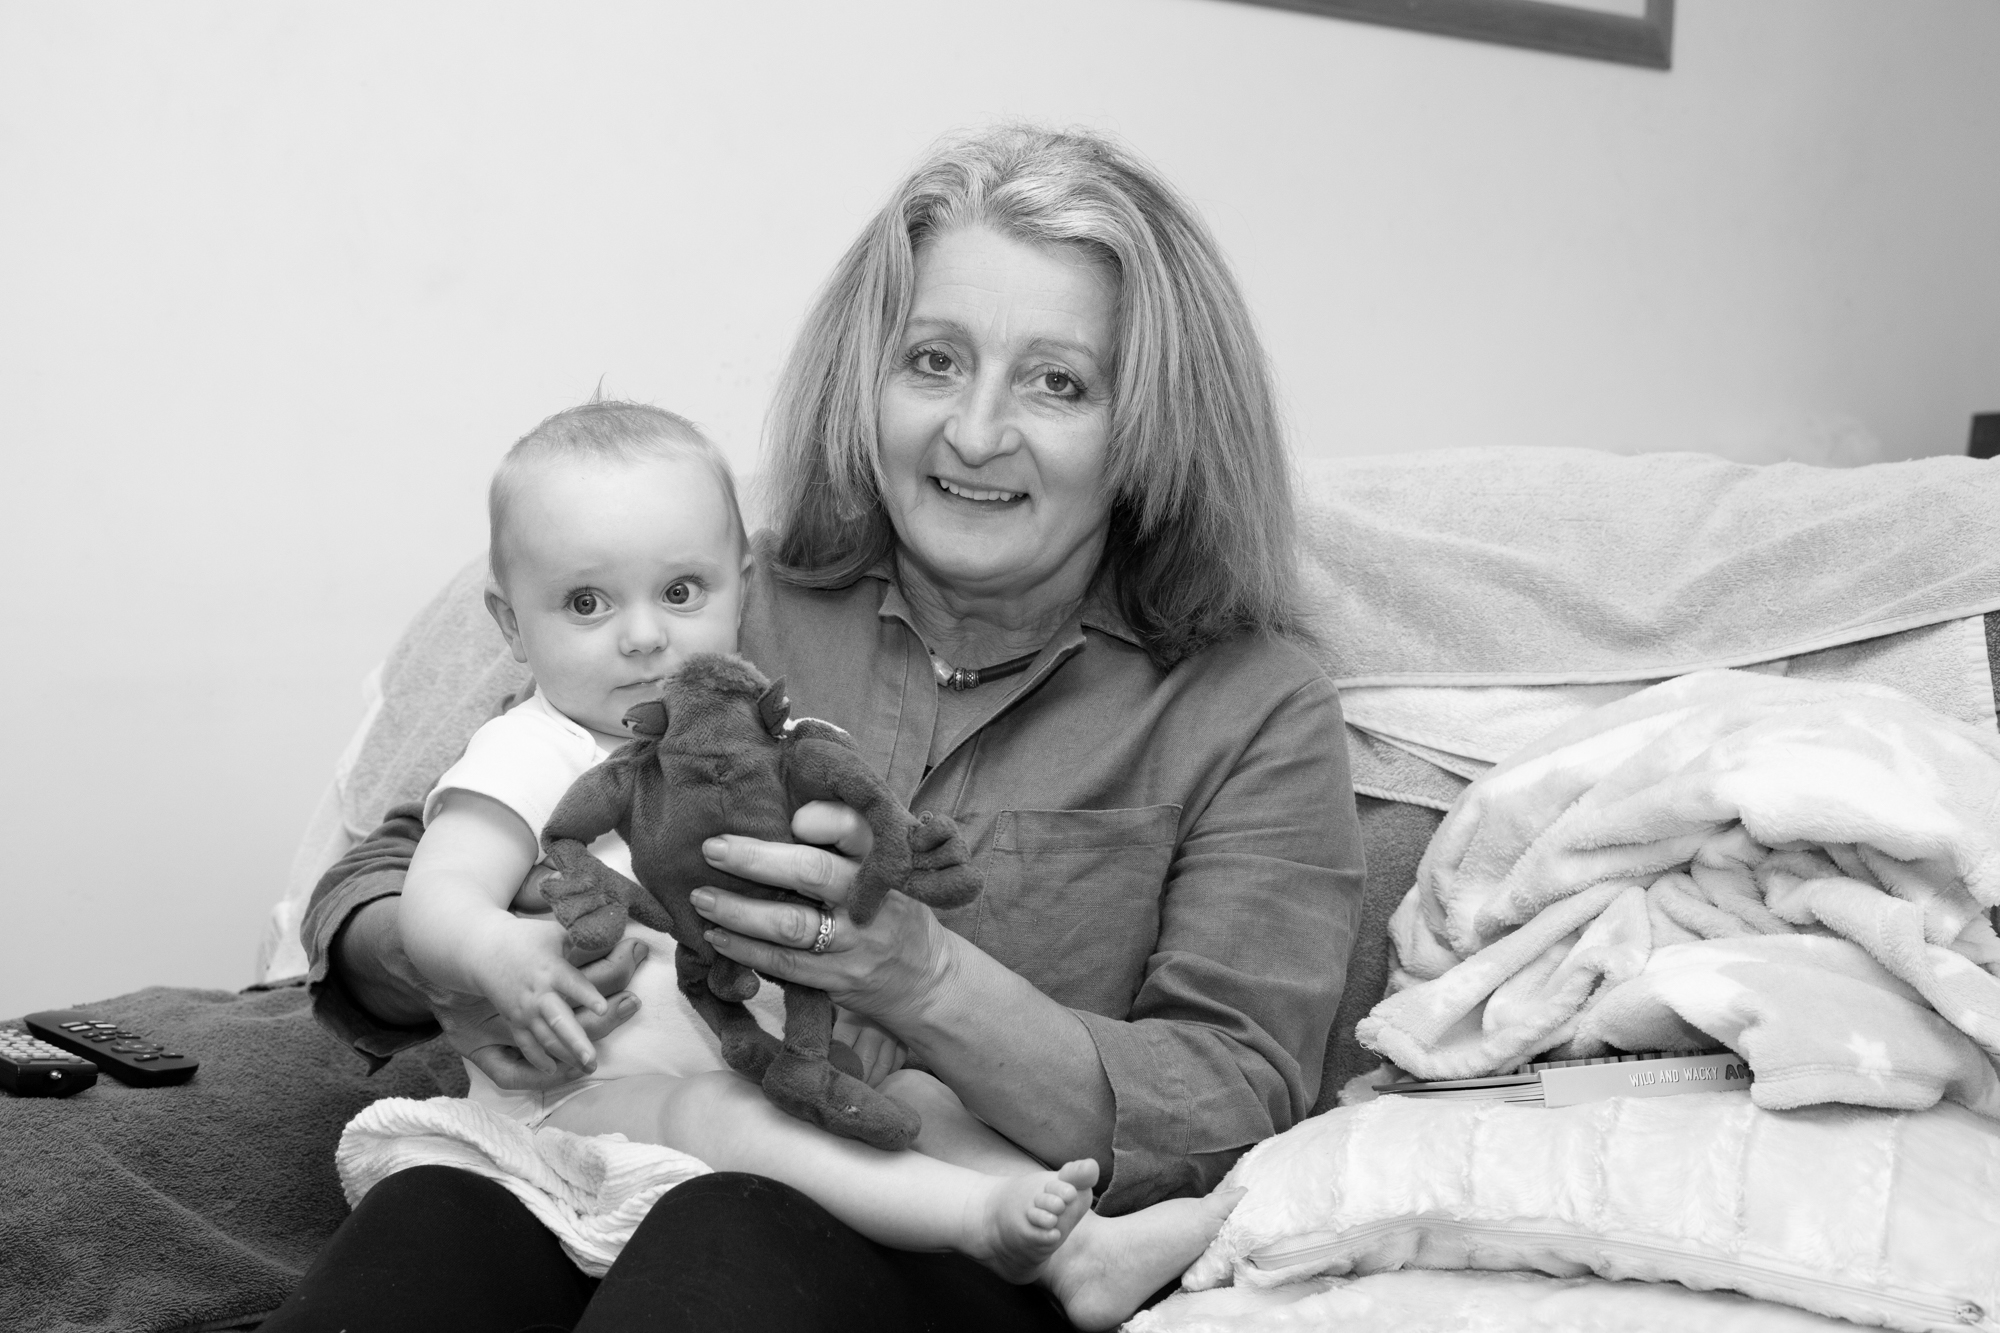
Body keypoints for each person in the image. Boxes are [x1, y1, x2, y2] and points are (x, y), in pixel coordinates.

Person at [273, 124, 1364, 1333]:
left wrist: (924, 978)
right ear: (866, 377)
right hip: (596, 1138)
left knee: (731, 1223)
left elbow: (1230, 1096)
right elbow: (392, 866)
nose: (974, 433)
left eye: (1057, 382)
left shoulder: (1249, 704)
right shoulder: (708, 600)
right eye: (933, 361)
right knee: (429, 1216)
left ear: (1154, 422)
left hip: (952, 1244)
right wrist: (463, 958)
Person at [395, 397, 1215, 1314]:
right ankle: (976, 1218)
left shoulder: (772, 743)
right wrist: (497, 953)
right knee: (725, 1114)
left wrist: (872, 953)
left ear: (742, 587)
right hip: (589, 1101)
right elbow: (439, 891)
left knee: (915, 1095)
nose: (644, 635)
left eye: (681, 592)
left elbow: (840, 880)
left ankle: (1081, 1251)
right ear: (512, 626)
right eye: (587, 603)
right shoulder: (530, 748)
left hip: (775, 1061)